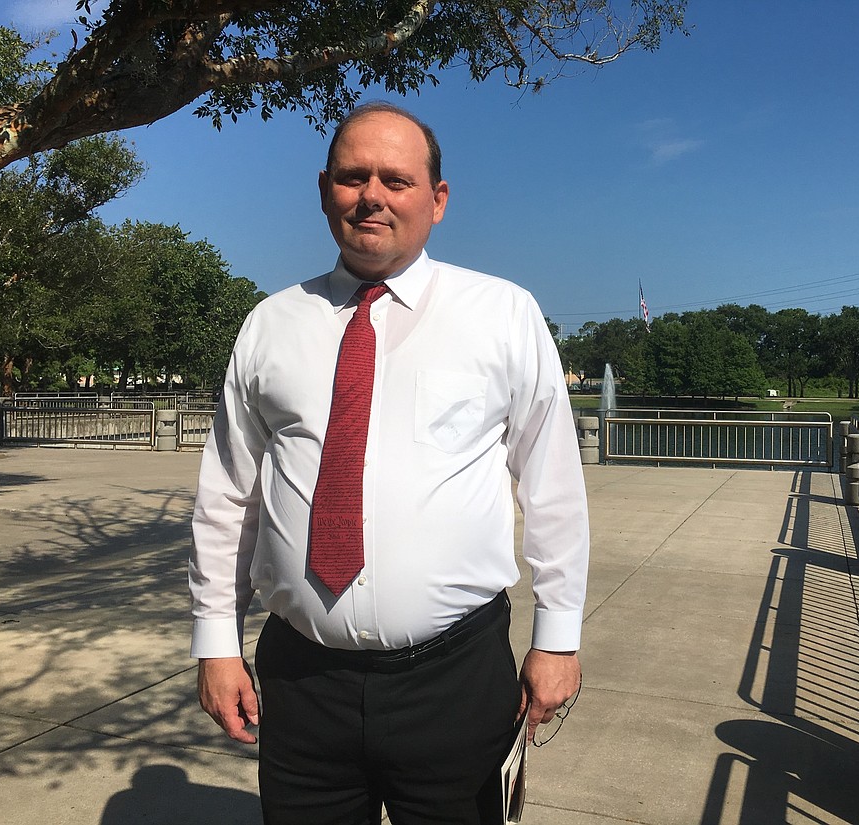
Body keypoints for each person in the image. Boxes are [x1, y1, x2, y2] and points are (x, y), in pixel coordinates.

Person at [189, 100, 590, 825]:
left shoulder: (502, 314)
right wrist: (216, 643)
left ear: (437, 199)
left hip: (455, 680)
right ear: (324, 190)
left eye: (396, 180)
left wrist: (557, 637)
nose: (372, 194)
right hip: (302, 680)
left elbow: (554, 489)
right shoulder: (271, 326)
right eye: (353, 176)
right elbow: (228, 498)